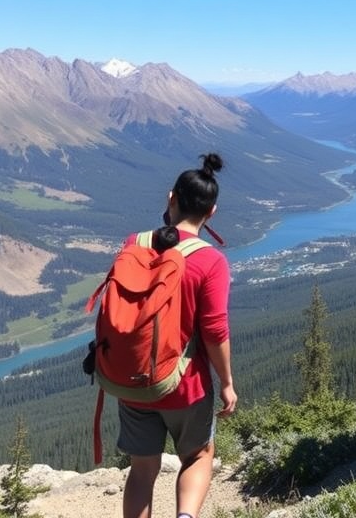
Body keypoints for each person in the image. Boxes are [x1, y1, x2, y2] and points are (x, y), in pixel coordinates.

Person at [118, 153, 237, 518]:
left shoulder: (134, 244)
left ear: (171, 198)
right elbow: (215, 330)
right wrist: (228, 382)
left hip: (133, 380)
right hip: (184, 384)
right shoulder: (210, 261)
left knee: (142, 471)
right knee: (198, 455)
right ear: (212, 212)